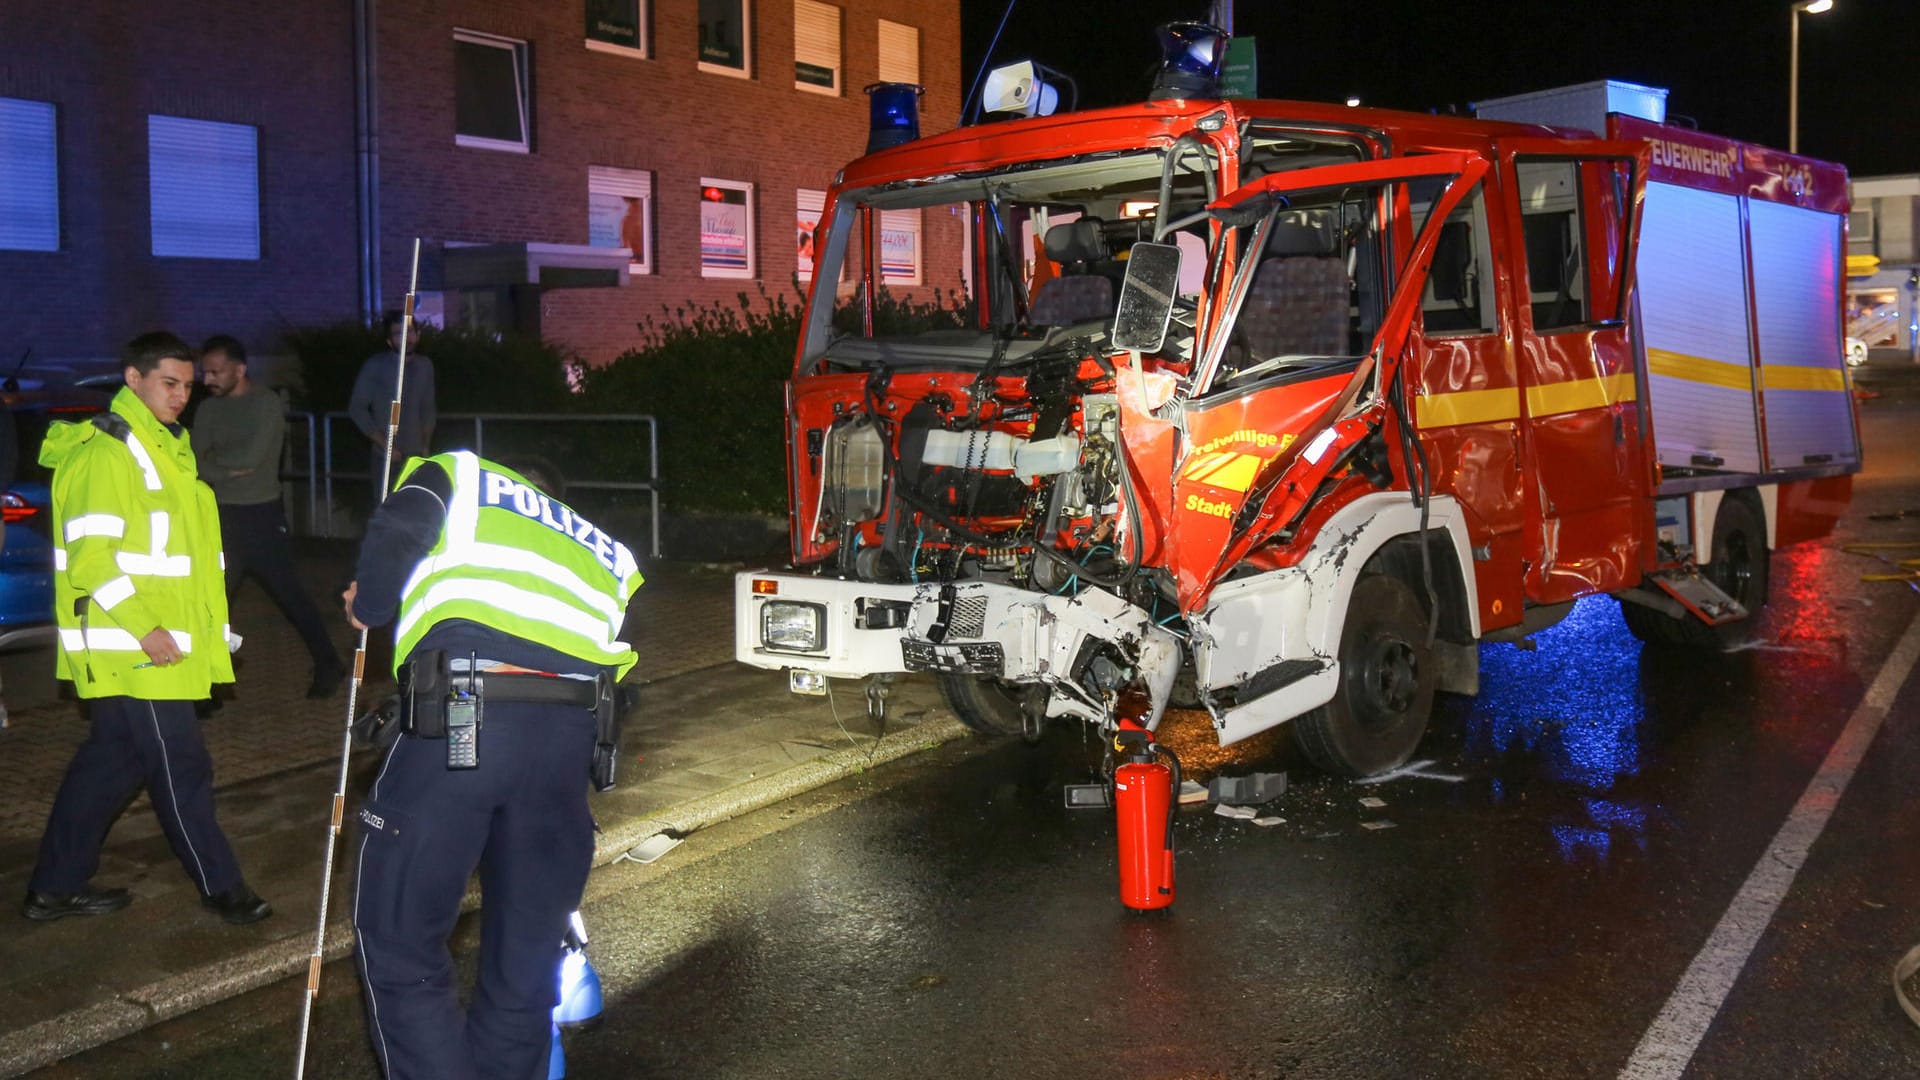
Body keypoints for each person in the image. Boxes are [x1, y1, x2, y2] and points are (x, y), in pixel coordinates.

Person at [344, 450, 641, 1079]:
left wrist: (368, 604)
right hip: (566, 745)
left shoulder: (458, 473)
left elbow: (400, 529)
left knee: (402, 949)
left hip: (463, 723)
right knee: (526, 967)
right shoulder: (605, 550)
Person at [23, 332, 271, 925]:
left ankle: (54, 887)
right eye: (170, 382)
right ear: (133, 380)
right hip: (137, 646)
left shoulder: (163, 448)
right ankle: (223, 887)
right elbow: (92, 558)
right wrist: (146, 629)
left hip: (151, 643)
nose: (182, 395)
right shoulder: (110, 452)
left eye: (188, 384)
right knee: (182, 765)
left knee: (112, 762)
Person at [194, 336, 346, 698]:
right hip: (220, 517)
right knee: (211, 603)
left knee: (291, 596)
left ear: (240, 369)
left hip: (261, 516)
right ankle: (209, 682)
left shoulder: (265, 404)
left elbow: (246, 461)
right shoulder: (207, 410)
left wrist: (214, 467)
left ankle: (329, 663)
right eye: (206, 372)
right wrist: (217, 469)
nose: (208, 379)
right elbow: (193, 460)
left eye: (216, 371)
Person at [347, 311, 436, 504]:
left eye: (410, 331)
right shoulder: (376, 367)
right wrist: (385, 445)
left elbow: (428, 408)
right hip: (386, 459)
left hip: (416, 457)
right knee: (387, 512)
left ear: (418, 334)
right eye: (397, 333)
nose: (405, 337)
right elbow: (357, 409)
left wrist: (426, 446)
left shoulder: (425, 366)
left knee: (417, 511)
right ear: (389, 341)